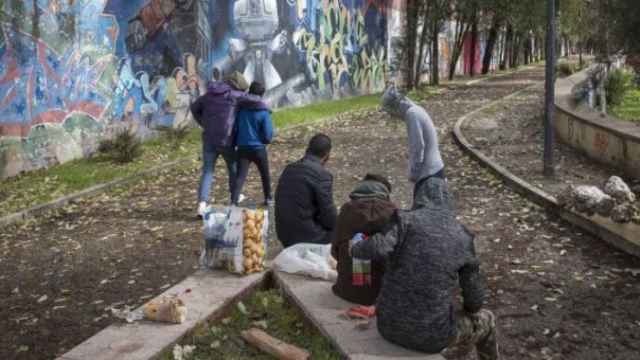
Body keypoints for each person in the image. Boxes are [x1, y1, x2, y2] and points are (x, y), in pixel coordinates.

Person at [350, 177, 499, 360]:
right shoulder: (463, 236)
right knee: (487, 319)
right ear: (448, 201)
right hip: (432, 338)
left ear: (419, 198)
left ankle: (455, 353)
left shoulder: (404, 221)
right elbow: (475, 300)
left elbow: (377, 248)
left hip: (388, 327)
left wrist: (355, 247)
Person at [190, 71, 264, 217]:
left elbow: (194, 108)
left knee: (208, 171)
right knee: (233, 167)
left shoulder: (209, 94)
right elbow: (255, 100)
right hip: (226, 139)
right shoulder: (234, 95)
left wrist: (203, 123)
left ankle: (202, 204)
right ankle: (234, 197)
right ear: (236, 86)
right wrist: (266, 110)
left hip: (209, 138)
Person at [331, 174, 397, 306]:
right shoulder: (394, 213)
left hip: (346, 291)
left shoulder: (346, 210)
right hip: (382, 295)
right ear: (385, 193)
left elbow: (335, 252)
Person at [381, 85, 446, 208]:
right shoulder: (416, 110)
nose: (392, 116)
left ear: (395, 106)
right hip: (434, 169)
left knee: (424, 215)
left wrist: (413, 173)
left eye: (390, 112)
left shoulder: (412, 114)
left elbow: (418, 147)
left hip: (429, 174)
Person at [275, 134, 337, 248]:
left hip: (284, 235)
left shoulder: (289, 169)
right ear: (327, 154)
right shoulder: (322, 175)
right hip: (307, 237)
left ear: (308, 149)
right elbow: (329, 217)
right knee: (344, 233)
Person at [231, 81, 273, 206]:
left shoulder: (240, 108)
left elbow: (235, 127)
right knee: (265, 174)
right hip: (258, 148)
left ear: (249, 91)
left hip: (242, 147)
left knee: (240, 177)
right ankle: (269, 199)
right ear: (261, 95)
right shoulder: (263, 111)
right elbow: (268, 134)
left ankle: (233, 202)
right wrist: (265, 141)